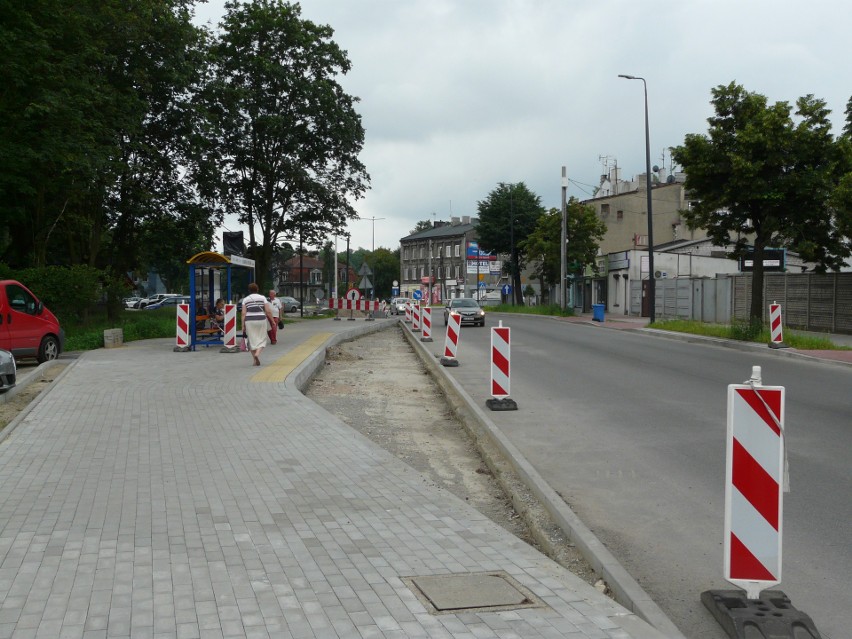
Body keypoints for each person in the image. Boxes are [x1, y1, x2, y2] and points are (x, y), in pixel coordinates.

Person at [240, 283, 274, 366]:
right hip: (261, 319)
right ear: (257, 289)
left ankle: (254, 360)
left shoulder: (245, 299)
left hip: (249, 321)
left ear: (249, 290)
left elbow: (243, 313)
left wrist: (243, 325)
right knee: (262, 338)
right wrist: (272, 321)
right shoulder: (262, 298)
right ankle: (257, 354)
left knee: (251, 340)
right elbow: (268, 311)